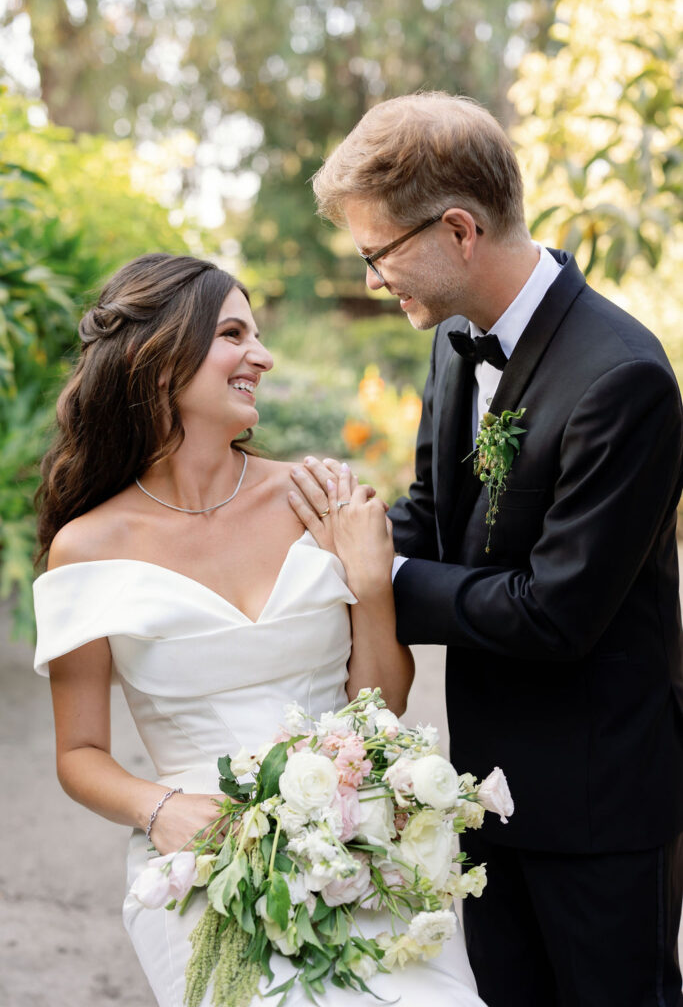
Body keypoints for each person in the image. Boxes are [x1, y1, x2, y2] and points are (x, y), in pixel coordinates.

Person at [290, 92, 683, 1006]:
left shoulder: (622, 378)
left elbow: (555, 613)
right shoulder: (453, 336)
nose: (375, 277)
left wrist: (375, 578)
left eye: (376, 253)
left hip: (598, 803)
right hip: (480, 787)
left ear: (458, 228)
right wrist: (308, 544)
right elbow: (432, 514)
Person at [32, 252, 488, 1007]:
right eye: (234, 334)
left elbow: (379, 702)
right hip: (201, 861)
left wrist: (372, 585)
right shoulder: (87, 547)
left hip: (359, 845)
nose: (262, 356)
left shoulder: (314, 496)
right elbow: (79, 755)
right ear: (158, 358)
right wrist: (162, 810)